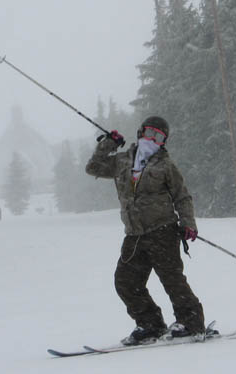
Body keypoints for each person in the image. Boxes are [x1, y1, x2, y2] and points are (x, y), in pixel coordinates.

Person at [86, 116, 205, 346]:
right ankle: (150, 324)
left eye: (159, 137)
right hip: (134, 235)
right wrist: (108, 144)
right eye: (150, 133)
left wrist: (188, 223)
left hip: (162, 231)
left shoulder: (166, 166)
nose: (152, 139)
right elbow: (93, 167)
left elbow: (182, 196)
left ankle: (191, 323)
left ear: (164, 142)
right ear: (140, 133)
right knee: (126, 282)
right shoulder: (121, 162)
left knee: (172, 281)